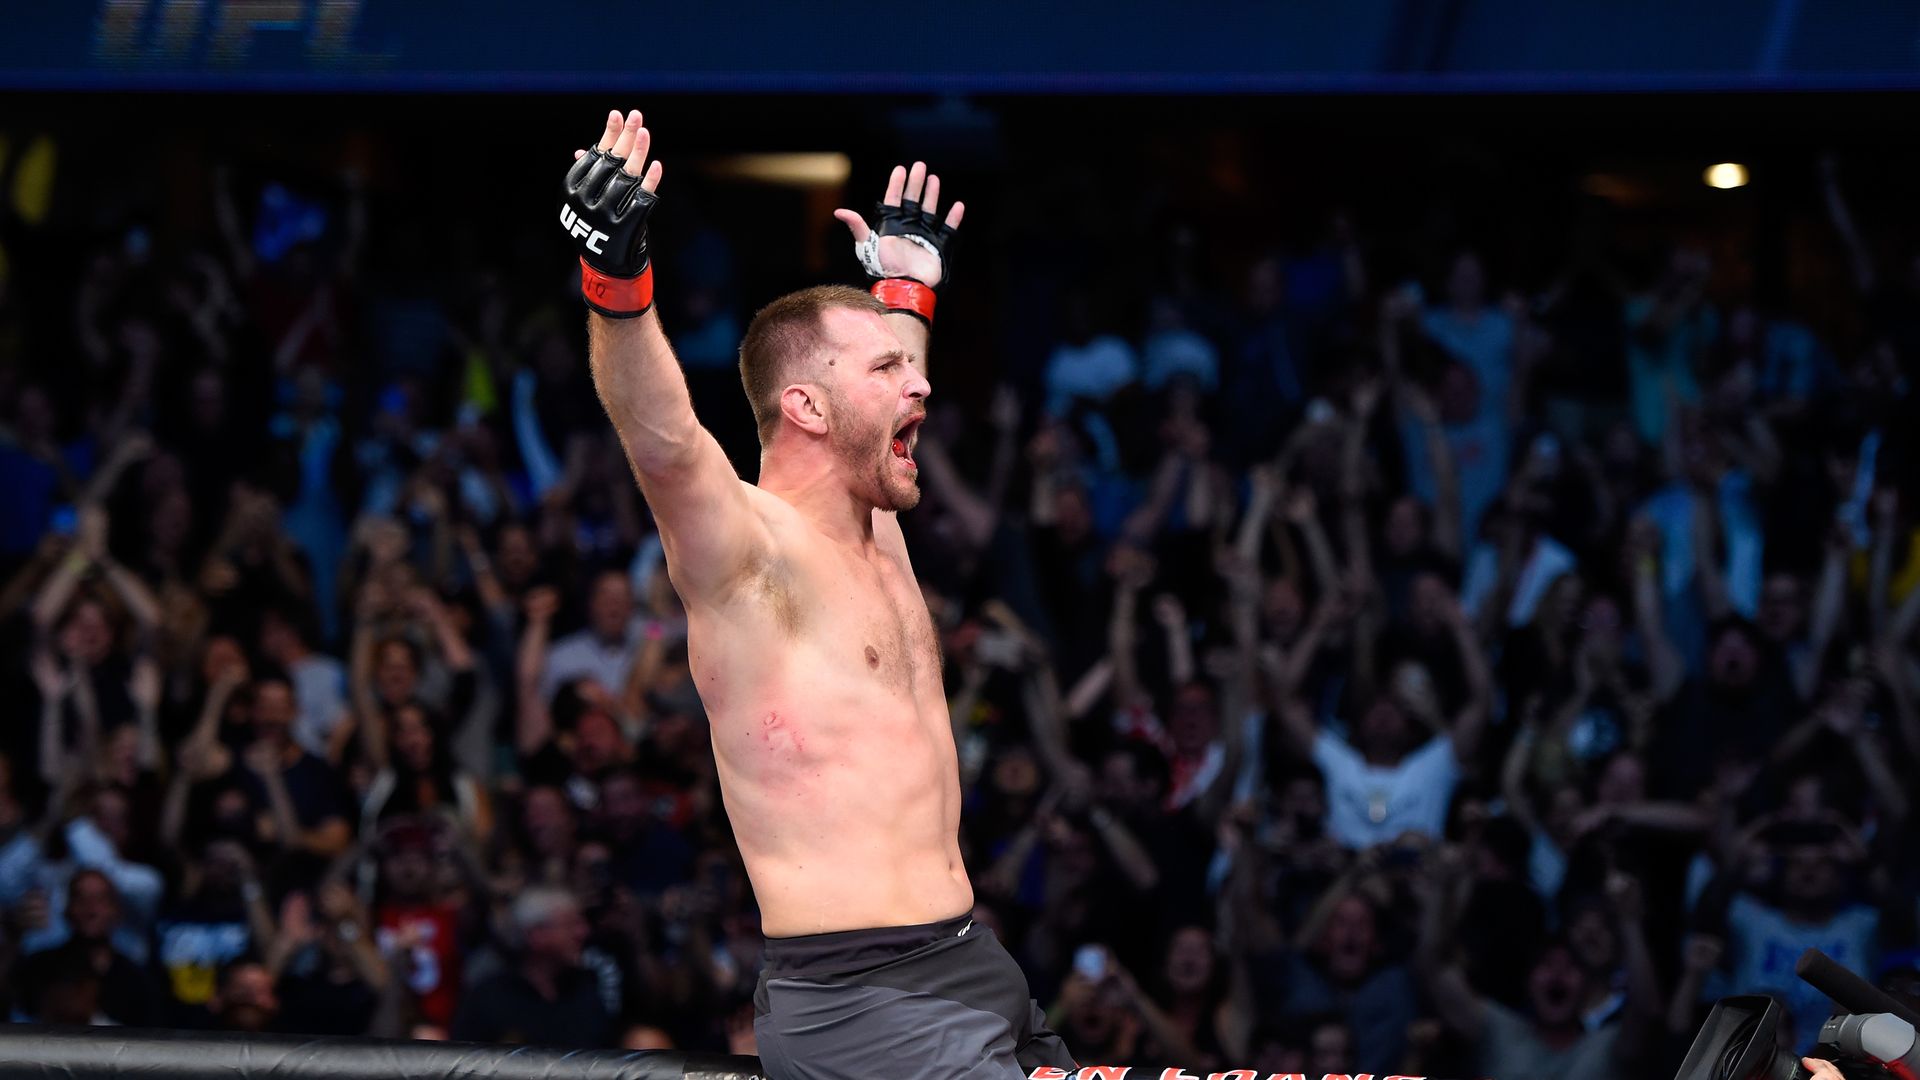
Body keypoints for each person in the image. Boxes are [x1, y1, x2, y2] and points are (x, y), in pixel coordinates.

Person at [557, 108, 1074, 1076]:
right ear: (805, 406)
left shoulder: (878, 523)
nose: (919, 387)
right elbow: (662, 441)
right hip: (863, 999)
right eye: (886, 369)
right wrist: (616, 278)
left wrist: (902, 296)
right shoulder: (751, 555)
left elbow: (888, 400)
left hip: (970, 959)